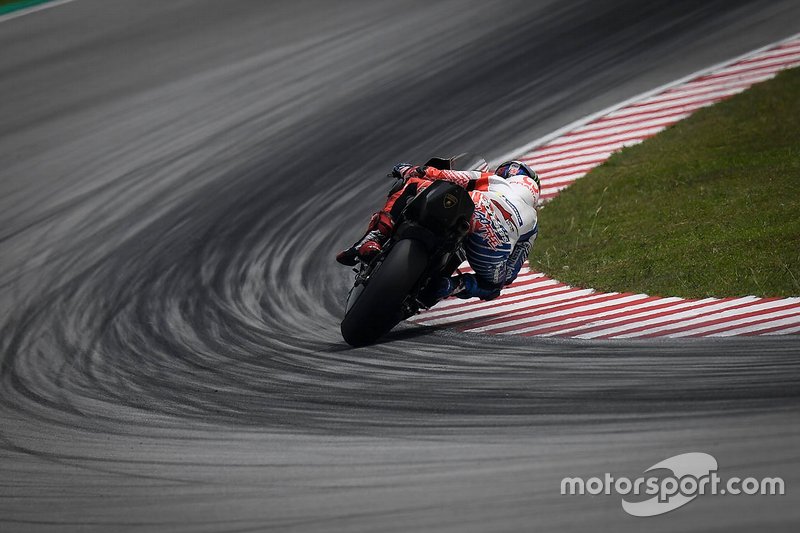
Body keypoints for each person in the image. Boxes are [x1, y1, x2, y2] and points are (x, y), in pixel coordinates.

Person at [336, 160, 540, 301]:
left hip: (475, 211)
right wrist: (493, 278)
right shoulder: (533, 222)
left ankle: (375, 238)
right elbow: (511, 274)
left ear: (505, 174)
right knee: (494, 286)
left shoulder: (494, 180)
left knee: (415, 183)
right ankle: (450, 286)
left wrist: (409, 169)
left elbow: (444, 175)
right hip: (494, 247)